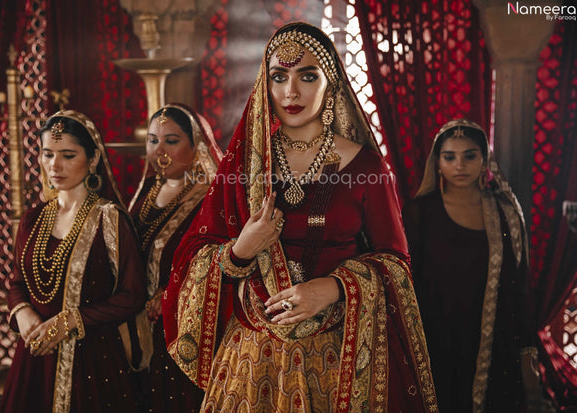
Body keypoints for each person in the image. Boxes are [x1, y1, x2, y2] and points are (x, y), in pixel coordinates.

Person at [162, 22, 437, 412]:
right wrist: (241, 250)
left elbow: (395, 262)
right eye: (279, 77)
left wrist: (333, 287)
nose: (291, 92)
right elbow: (193, 254)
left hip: (336, 359)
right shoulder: (244, 163)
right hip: (250, 362)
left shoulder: (365, 165)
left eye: (308, 76)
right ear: (265, 85)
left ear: (332, 83)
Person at [0, 110, 146, 412]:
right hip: (34, 357)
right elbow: (17, 283)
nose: (55, 165)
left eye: (68, 155)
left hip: (93, 361)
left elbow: (132, 296)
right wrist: (24, 313)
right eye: (48, 154)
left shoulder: (109, 219)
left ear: (92, 160)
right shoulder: (33, 218)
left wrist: (69, 322)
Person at [402, 119, 551, 412]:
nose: (460, 165)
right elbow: (406, 281)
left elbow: (518, 285)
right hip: (437, 337)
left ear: (485, 159)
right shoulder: (420, 212)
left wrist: (526, 354)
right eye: (450, 157)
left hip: (493, 338)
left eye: (470, 155)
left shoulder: (504, 211)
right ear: (438, 162)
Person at [128, 104, 222, 412]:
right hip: (135, 326)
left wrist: (171, 294)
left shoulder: (211, 199)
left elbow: (219, 263)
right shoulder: (144, 196)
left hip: (184, 330)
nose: (159, 150)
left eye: (171, 140)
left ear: (196, 147)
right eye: (153, 140)